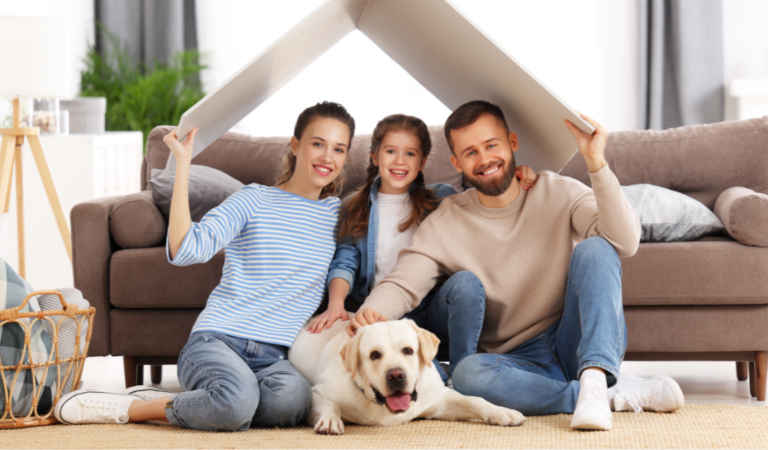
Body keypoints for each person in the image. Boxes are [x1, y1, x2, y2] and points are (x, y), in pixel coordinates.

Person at [346, 100, 685, 431]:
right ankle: (600, 396)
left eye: (491, 145)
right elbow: (404, 283)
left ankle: (595, 379)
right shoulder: (445, 222)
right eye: (470, 152)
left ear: (512, 143)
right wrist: (369, 314)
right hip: (514, 362)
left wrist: (596, 162)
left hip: (572, 338)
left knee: (597, 247)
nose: (484, 159)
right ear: (457, 162)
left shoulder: (558, 191)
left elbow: (624, 242)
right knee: (466, 374)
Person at [54, 102, 355, 431]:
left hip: (275, 356)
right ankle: (133, 406)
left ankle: (219, 399)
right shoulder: (253, 199)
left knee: (292, 404)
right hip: (218, 340)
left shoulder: (337, 215)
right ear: (296, 145)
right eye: (317, 143)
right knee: (236, 405)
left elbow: (349, 260)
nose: (327, 157)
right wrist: (183, 165)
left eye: (338, 149)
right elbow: (185, 249)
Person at [307, 113, 538, 383]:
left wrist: (518, 174)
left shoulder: (441, 198)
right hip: (388, 314)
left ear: (423, 161)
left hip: (434, 306)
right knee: (427, 379)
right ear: (374, 156)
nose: (400, 161)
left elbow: (486, 194)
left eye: (410, 154)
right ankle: (440, 377)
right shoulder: (353, 206)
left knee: (466, 282)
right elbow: (344, 262)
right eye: (391, 151)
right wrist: (336, 304)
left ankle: (466, 370)